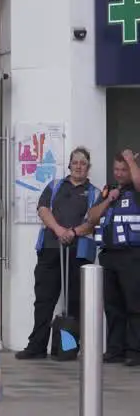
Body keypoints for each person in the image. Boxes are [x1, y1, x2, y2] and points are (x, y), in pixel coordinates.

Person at [14, 146, 101, 360]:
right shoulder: (54, 186)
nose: (79, 166)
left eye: (83, 163)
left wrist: (73, 232)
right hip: (50, 250)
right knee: (44, 300)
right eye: (76, 162)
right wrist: (59, 230)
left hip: (78, 253)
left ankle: (68, 348)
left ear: (88, 168)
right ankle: (36, 347)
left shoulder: (95, 193)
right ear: (69, 165)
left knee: (75, 302)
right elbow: (43, 209)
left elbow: (93, 221)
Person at [87, 149, 140, 366]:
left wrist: (130, 159)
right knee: (113, 306)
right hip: (109, 256)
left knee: (134, 305)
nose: (119, 174)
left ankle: (135, 351)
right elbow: (91, 217)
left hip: (132, 255)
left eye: (123, 169)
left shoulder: (136, 190)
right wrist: (108, 200)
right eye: (116, 169)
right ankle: (115, 350)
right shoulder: (110, 190)